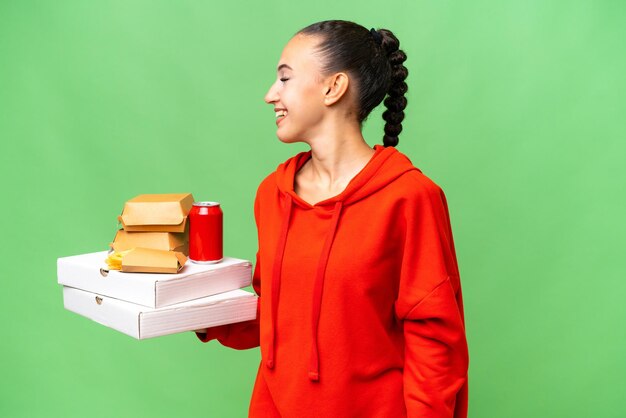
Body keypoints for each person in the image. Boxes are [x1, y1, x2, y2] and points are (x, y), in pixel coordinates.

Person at [196, 20, 469, 418]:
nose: (270, 94)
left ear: (333, 87)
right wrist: (194, 309)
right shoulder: (272, 194)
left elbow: (435, 343)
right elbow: (277, 316)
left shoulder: (409, 198)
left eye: (285, 78)